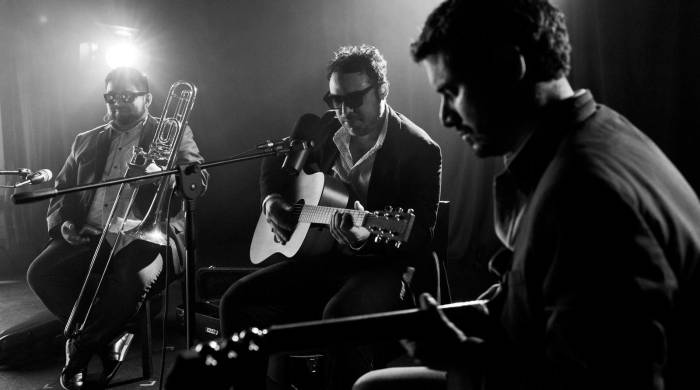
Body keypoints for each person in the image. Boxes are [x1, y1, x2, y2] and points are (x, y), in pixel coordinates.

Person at [354, 0, 700, 389]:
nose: (445, 117)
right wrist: (489, 312)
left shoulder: (583, 197)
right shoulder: (600, 129)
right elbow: (547, 294)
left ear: (508, 66)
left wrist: (460, 356)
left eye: (452, 91)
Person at [218, 44, 442, 390]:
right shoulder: (323, 128)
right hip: (321, 258)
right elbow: (273, 163)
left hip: (381, 267)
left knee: (341, 317)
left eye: (354, 99)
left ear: (382, 90)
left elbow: (421, 235)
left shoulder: (419, 149)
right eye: (334, 99)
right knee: (237, 301)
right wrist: (272, 201)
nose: (342, 110)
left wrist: (368, 236)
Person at [26, 67, 208, 390]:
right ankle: (110, 336)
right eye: (111, 97)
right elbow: (61, 190)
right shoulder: (85, 140)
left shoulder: (174, 131)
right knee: (40, 273)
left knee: (129, 277)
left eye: (127, 97)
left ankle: (81, 349)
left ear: (148, 99)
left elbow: (199, 182)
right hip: (94, 233)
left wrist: (161, 174)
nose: (117, 104)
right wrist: (65, 225)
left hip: (150, 235)